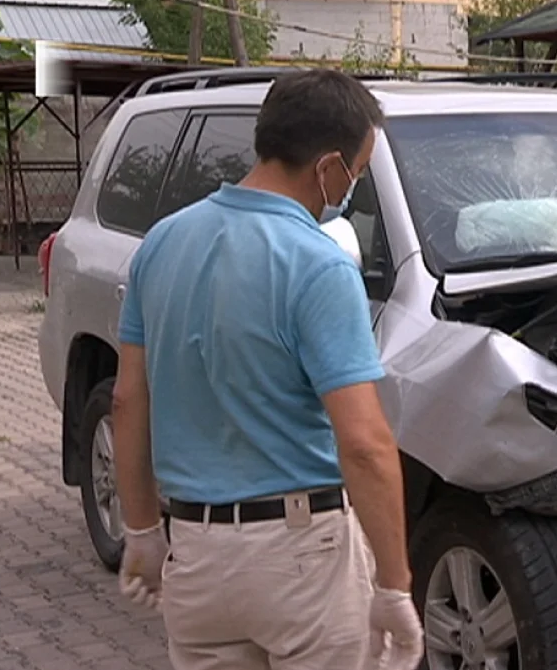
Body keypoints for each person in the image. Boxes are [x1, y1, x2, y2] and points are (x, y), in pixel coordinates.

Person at [110, 69, 424, 670]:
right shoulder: (319, 266)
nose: (350, 185)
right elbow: (363, 444)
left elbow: (128, 401)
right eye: (356, 170)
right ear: (329, 167)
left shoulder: (160, 244)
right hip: (300, 558)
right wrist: (393, 585)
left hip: (196, 559)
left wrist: (143, 529)